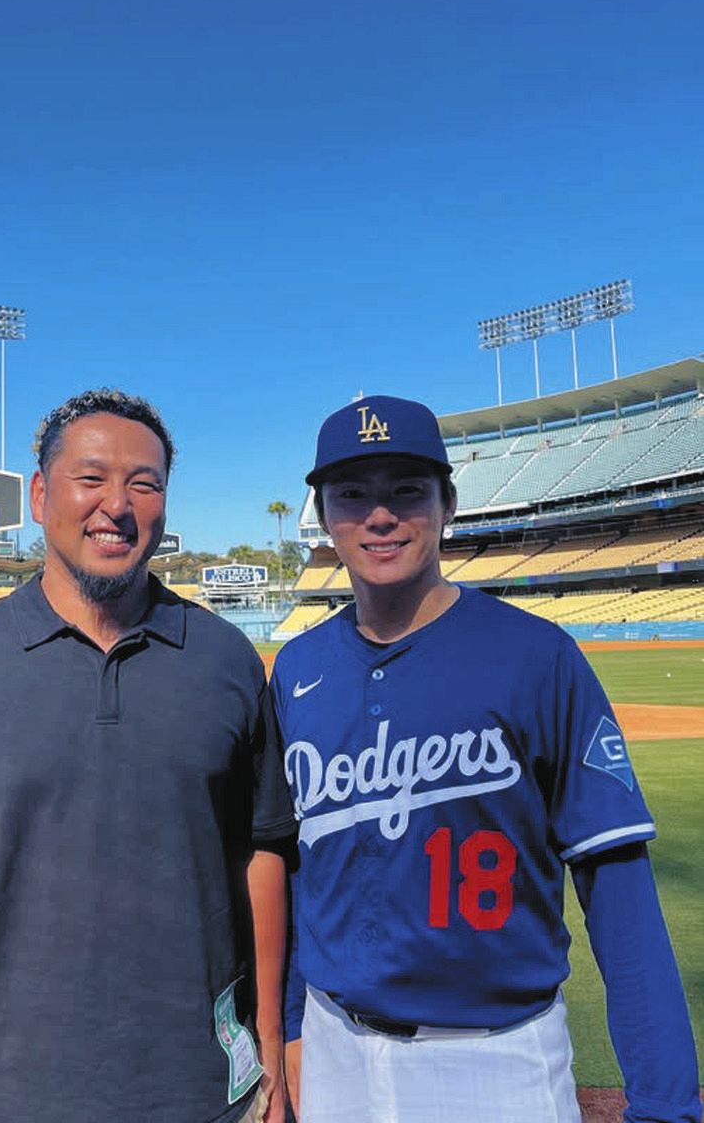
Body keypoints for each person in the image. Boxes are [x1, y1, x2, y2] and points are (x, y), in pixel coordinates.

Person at [0, 387, 296, 1123]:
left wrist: (270, 1050)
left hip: (199, 1098)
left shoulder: (225, 662)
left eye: (143, 483)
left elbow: (261, 853)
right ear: (42, 493)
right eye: (90, 477)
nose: (116, 503)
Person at [272, 395, 701, 1123]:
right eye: (352, 494)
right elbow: (295, 874)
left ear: (448, 504)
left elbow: (615, 881)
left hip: (498, 1063)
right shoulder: (297, 669)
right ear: (322, 514)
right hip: (332, 1049)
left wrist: (663, 1100)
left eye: (406, 490)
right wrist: (287, 1031)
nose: (379, 515)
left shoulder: (537, 657)